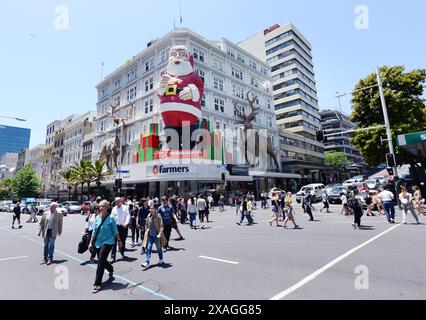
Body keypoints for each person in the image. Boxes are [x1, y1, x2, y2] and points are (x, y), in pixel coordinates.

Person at [89, 200, 121, 293]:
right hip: (98, 242)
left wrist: (119, 241)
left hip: (108, 241)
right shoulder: (97, 218)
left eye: (103, 206)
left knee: (100, 261)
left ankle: (98, 283)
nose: (101, 208)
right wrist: (90, 243)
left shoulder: (111, 218)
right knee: (102, 260)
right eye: (100, 206)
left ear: (107, 208)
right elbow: (94, 232)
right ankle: (110, 268)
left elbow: (115, 232)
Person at [141, 206, 167, 270]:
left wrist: (160, 233)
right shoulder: (149, 216)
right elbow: (146, 224)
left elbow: (161, 225)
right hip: (150, 235)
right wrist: (146, 231)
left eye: (152, 209)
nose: (151, 210)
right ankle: (147, 262)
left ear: (155, 209)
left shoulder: (158, 216)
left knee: (159, 248)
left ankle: (161, 259)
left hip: (156, 235)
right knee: (148, 248)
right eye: (150, 209)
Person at [111, 197, 130, 262]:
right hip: (115, 227)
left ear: (121, 201)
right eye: (116, 202)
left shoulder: (125, 208)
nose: (117, 203)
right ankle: (113, 257)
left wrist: (126, 223)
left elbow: (128, 216)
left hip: (123, 226)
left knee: (122, 241)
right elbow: (112, 217)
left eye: (118, 202)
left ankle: (122, 254)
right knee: (114, 241)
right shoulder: (114, 208)